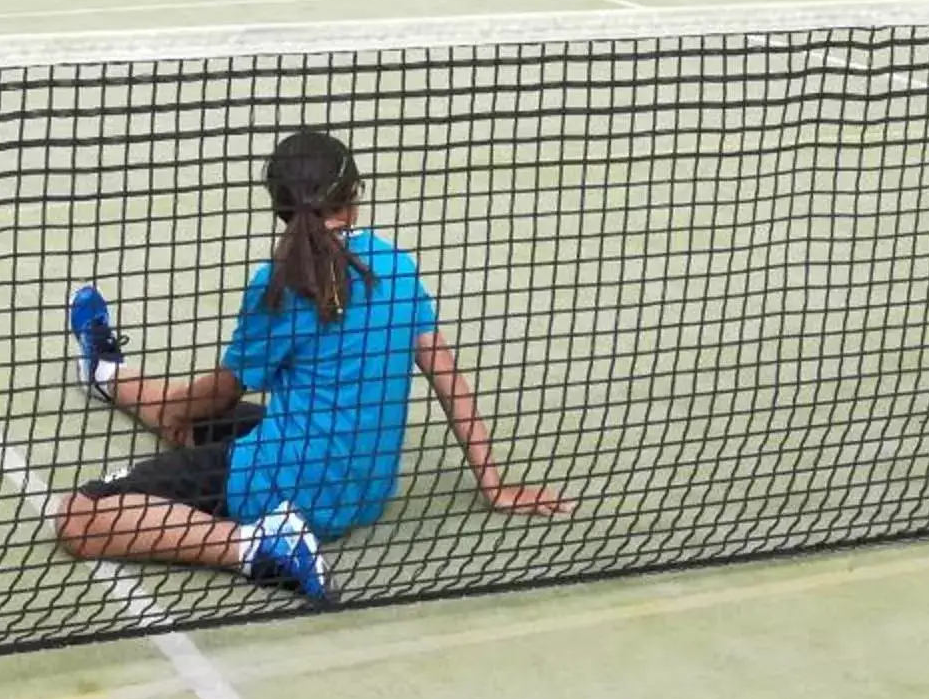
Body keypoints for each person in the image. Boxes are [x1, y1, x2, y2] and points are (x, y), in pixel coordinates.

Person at [53, 129, 569, 603]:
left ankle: (254, 547)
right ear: (355, 194)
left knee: (80, 518)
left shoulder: (278, 285)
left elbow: (221, 394)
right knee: (187, 417)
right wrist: (494, 484)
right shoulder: (395, 265)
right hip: (366, 488)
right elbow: (447, 376)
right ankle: (104, 372)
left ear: (280, 207)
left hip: (287, 484)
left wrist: (177, 410)